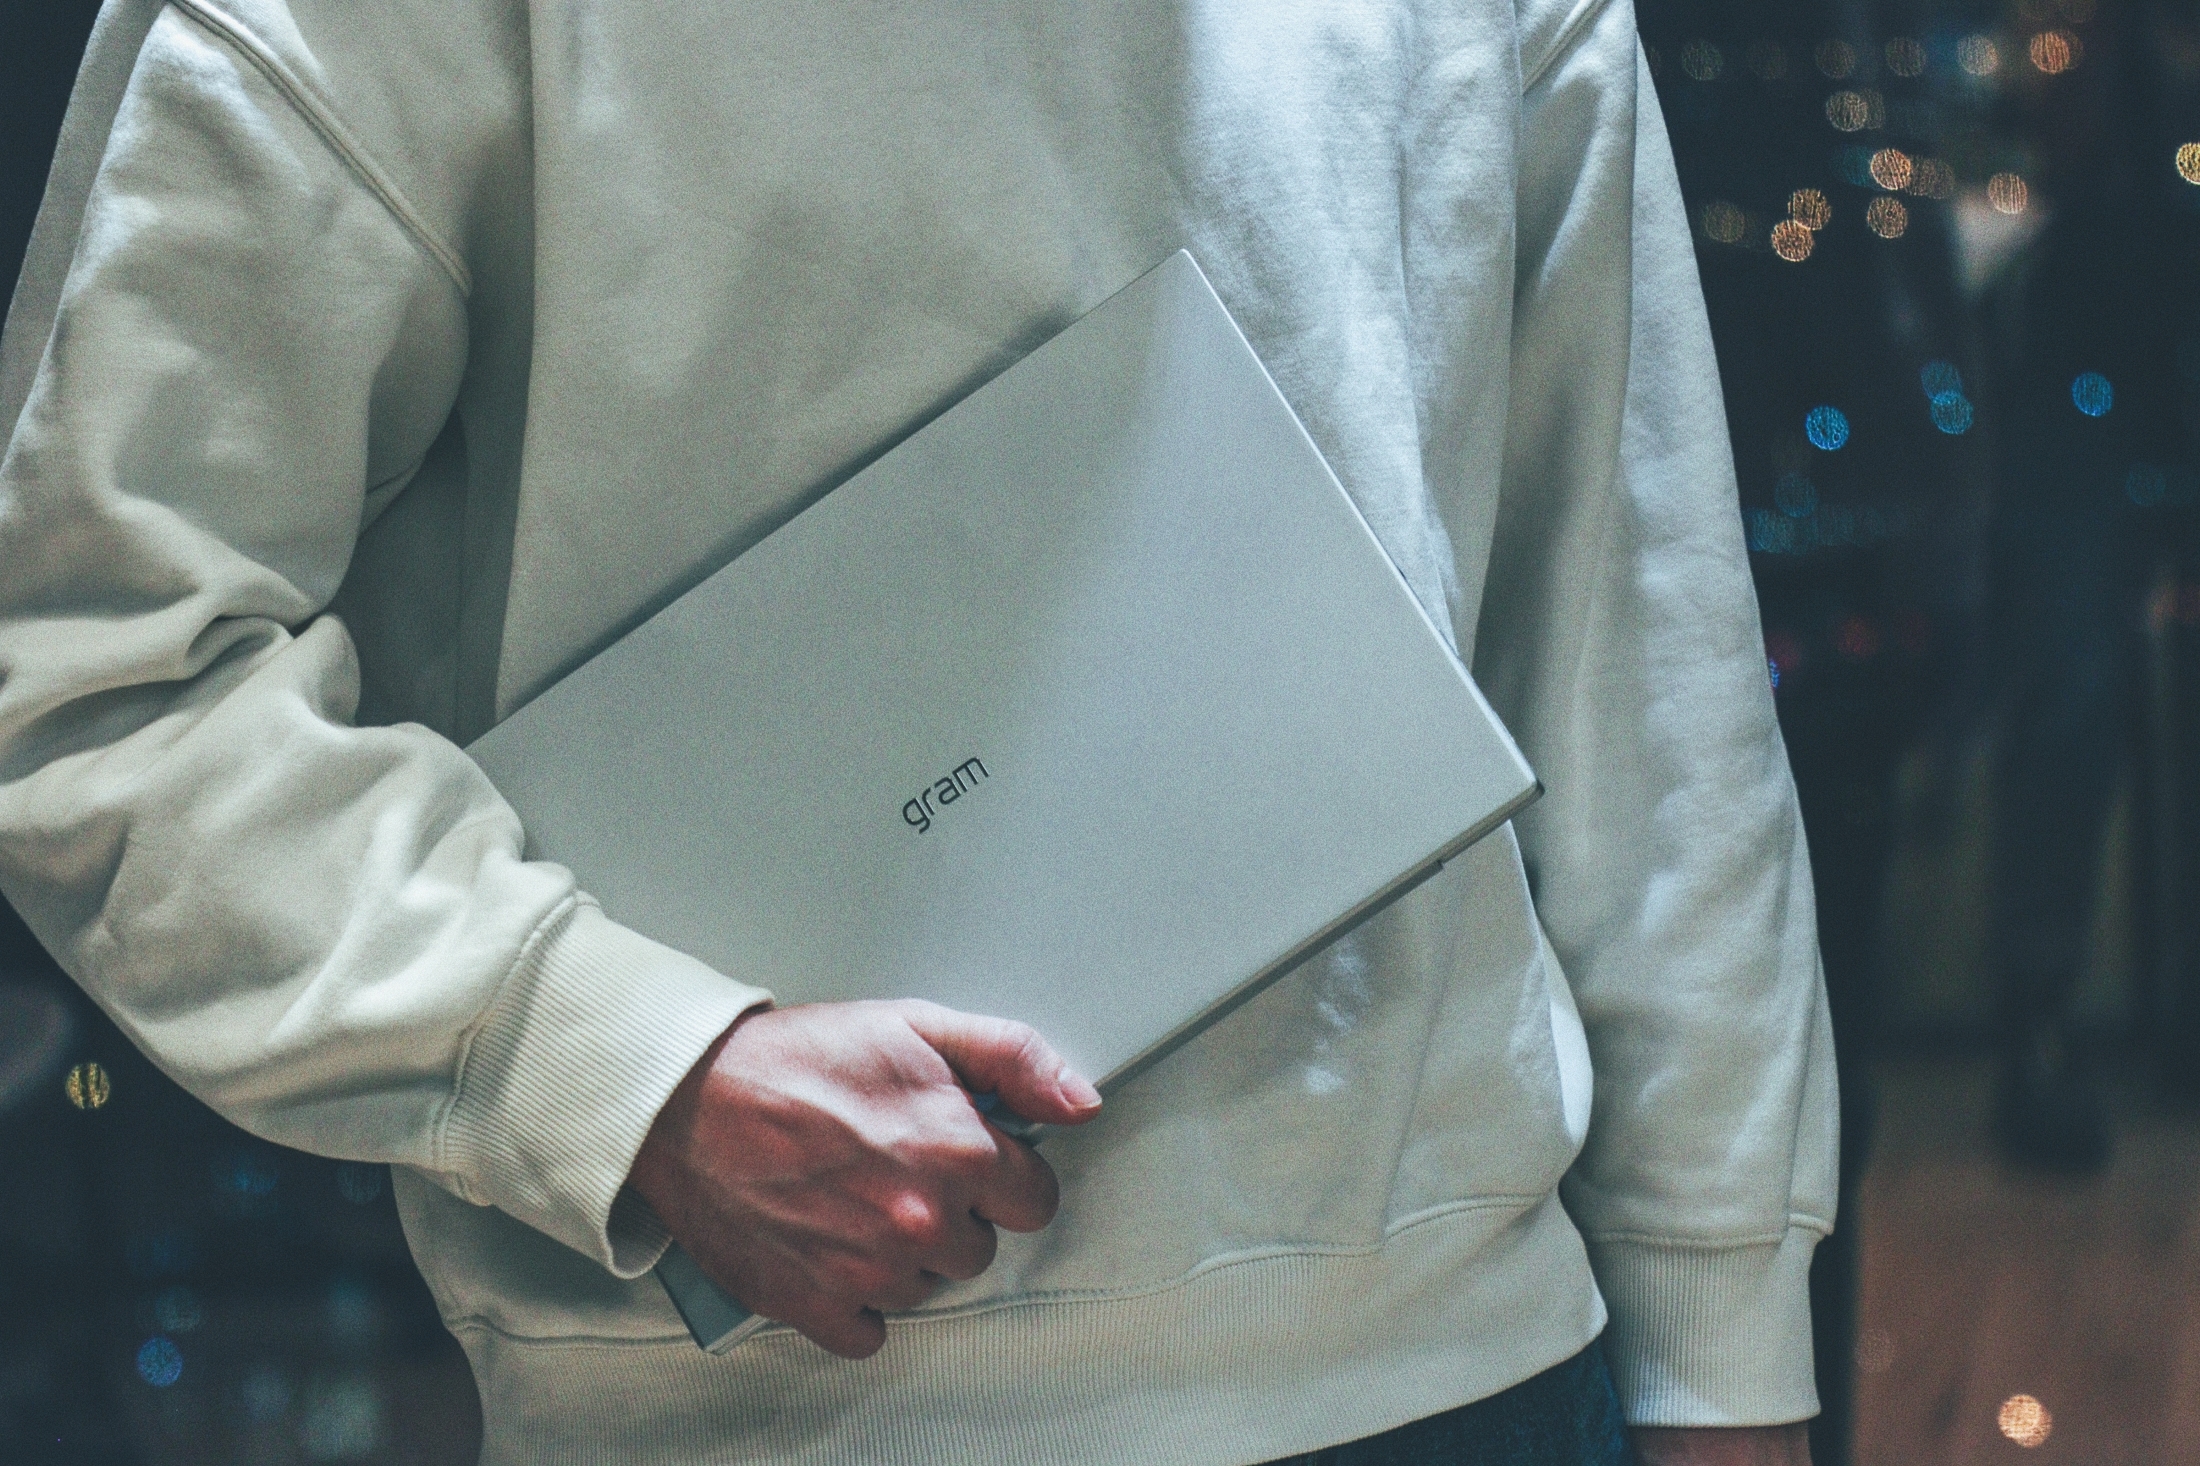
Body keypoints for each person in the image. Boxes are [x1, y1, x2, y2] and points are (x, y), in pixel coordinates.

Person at [0, 0, 1835, 1461]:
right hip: (766, 1406)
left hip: (1470, 1370)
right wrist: (620, 1065)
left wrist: (1724, 1345)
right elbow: (93, 666)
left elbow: (1640, 664)